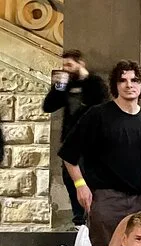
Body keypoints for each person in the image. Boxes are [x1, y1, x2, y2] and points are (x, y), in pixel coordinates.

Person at [58, 60, 141, 246]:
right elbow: (69, 154)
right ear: (115, 85)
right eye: (123, 80)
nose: (129, 85)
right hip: (106, 199)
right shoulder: (98, 115)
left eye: (134, 80)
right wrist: (80, 185)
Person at [42, 49, 110, 227]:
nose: (66, 68)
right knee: (70, 180)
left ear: (81, 64)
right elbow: (48, 106)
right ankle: (78, 219)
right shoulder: (66, 85)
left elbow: (102, 107)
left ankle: (93, 218)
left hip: (92, 144)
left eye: (69, 65)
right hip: (71, 142)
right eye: (64, 65)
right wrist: (58, 87)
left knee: (91, 180)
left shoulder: (95, 83)